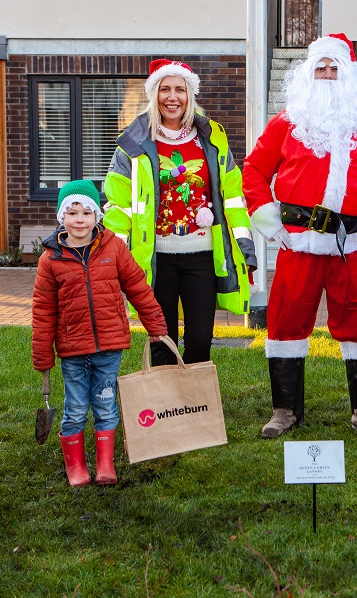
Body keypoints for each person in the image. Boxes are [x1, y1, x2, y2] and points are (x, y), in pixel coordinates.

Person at [243, 33, 357, 440]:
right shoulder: (287, 122)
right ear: (308, 74)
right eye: (320, 68)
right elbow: (254, 171)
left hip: (353, 246)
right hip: (299, 243)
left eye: (334, 68)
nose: (327, 75)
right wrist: (269, 221)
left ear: (349, 75)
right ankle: (285, 410)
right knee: (286, 323)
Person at [104, 59, 256, 367]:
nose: (172, 97)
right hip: (157, 257)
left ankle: (195, 406)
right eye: (164, 89)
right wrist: (112, 256)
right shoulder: (133, 143)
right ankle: (167, 409)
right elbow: (118, 206)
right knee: (162, 337)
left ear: (190, 95)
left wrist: (244, 245)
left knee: (200, 340)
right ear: (154, 94)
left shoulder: (211, 138)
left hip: (202, 253)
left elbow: (233, 198)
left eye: (179, 89)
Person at [32, 180, 168, 488]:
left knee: (106, 404)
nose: (79, 220)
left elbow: (137, 287)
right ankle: (76, 466)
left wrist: (156, 325)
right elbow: (43, 310)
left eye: (86, 213)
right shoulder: (50, 259)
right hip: (72, 349)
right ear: (61, 218)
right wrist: (42, 354)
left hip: (109, 345)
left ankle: (105, 463)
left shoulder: (114, 248)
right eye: (72, 212)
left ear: (97, 216)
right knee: (76, 407)